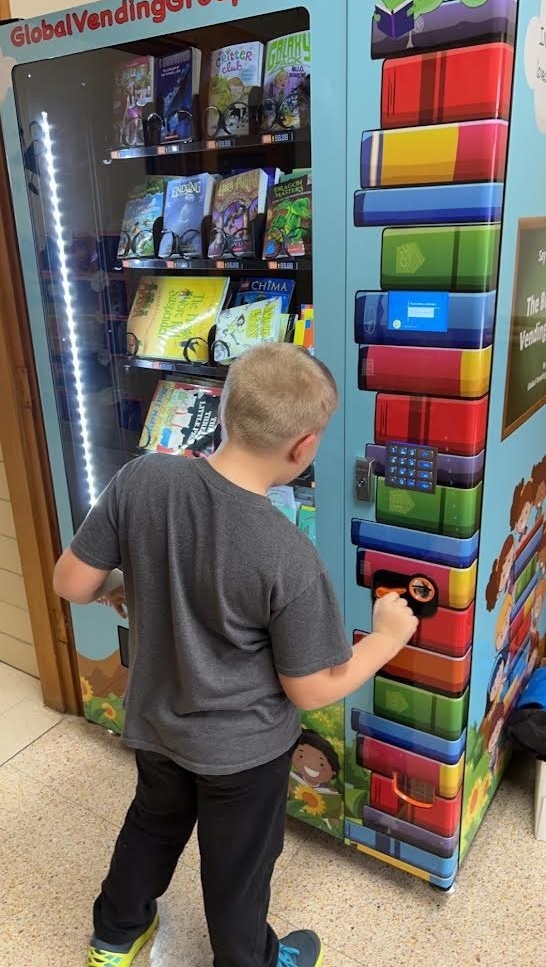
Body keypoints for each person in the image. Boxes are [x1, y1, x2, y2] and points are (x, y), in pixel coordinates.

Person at [54, 343, 417, 967]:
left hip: (158, 724)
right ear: (304, 447)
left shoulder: (144, 477)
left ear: (223, 409)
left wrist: (124, 584)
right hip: (243, 756)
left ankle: (114, 937)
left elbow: (72, 583)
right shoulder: (288, 555)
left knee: (152, 824)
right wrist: (384, 640)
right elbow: (310, 689)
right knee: (238, 869)